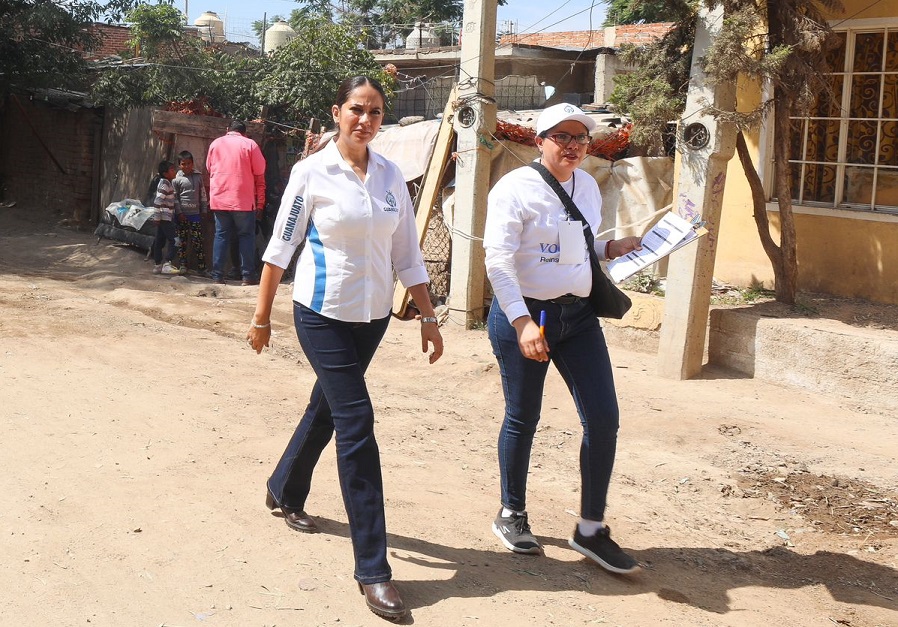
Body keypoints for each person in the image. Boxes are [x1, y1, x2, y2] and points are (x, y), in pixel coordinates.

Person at [247, 76, 443, 621]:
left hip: (373, 317)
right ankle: (374, 570)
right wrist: (262, 317)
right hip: (321, 313)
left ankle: (283, 487)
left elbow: (408, 255)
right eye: (357, 109)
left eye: (375, 111)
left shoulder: (391, 177)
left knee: (329, 406)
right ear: (338, 112)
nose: (366, 119)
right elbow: (279, 247)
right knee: (356, 420)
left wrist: (428, 316)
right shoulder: (311, 173)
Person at [483, 103, 643, 574]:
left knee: (603, 418)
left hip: (578, 319)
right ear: (540, 140)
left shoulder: (589, 186)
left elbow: (580, 245)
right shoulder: (513, 189)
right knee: (523, 416)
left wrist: (610, 248)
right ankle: (511, 512)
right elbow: (499, 262)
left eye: (580, 138)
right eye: (562, 136)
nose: (572, 146)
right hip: (527, 315)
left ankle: (590, 529)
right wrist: (522, 323)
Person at [206, 120, 266, 285]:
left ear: (227, 130)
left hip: (219, 198)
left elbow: (209, 168)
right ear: (244, 133)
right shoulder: (250, 144)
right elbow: (260, 170)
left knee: (221, 235)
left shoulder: (216, 143)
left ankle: (217, 275)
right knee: (246, 236)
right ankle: (248, 276)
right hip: (242, 200)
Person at [172, 151, 208, 275]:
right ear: (179, 165)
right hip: (182, 215)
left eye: (189, 163)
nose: (186, 166)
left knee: (198, 241)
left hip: (195, 215)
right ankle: (183, 265)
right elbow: (175, 198)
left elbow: (202, 194)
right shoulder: (176, 179)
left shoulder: (198, 176)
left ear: (192, 163)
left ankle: (202, 268)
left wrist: (204, 209)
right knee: (182, 241)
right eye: (183, 164)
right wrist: (179, 212)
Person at [149, 160, 180, 275]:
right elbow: (157, 202)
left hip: (163, 218)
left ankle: (157, 265)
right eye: (172, 169)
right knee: (176, 240)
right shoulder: (165, 184)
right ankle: (167, 263)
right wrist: (157, 217)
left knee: (159, 241)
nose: (175, 171)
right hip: (165, 218)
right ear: (165, 173)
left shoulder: (166, 182)